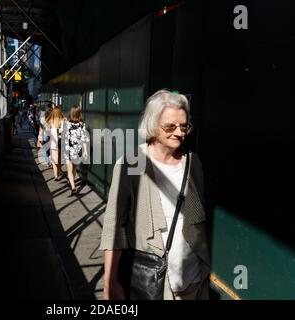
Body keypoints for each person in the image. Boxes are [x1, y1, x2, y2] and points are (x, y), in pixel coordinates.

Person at [99, 89, 210, 300]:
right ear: (152, 124)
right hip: (153, 283)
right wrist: (109, 282)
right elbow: (114, 226)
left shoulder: (193, 162)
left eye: (184, 125)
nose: (179, 132)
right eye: (170, 126)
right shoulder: (133, 162)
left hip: (193, 280)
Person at [63, 105, 89, 196]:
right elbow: (84, 138)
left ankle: (73, 187)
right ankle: (72, 183)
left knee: (70, 169)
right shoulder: (82, 124)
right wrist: (85, 151)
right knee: (73, 167)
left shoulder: (67, 124)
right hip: (77, 149)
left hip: (68, 149)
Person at [46, 106, 66, 181]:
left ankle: (56, 176)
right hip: (61, 142)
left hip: (53, 143)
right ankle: (59, 170)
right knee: (60, 159)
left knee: (54, 160)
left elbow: (47, 131)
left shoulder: (50, 120)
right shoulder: (63, 120)